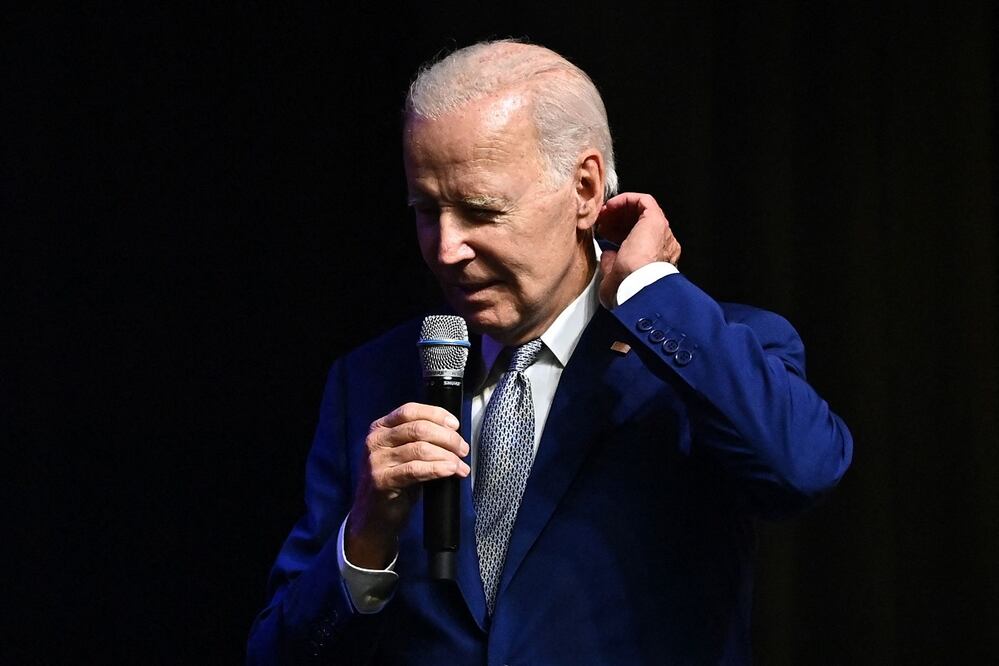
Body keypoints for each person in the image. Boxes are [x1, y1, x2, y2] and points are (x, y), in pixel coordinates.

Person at [247, 40, 852, 664]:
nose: (447, 248)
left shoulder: (704, 351)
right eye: (427, 211)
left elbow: (802, 471)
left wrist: (648, 292)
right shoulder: (369, 380)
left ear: (585, 188)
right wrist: (366, 538)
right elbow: (278, 654)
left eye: (481, 211)